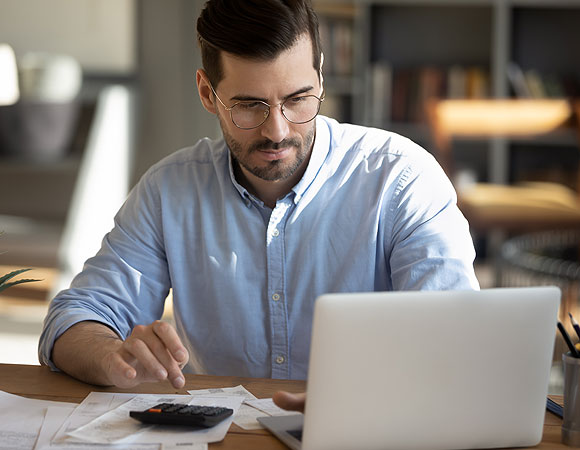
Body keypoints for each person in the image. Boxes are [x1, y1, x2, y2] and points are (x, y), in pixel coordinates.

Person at [38, 0, 479, 411]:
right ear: (208, 94)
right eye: (249, 105)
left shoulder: (401, 179)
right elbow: (73, 318)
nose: (277, 130)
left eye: (297, 99)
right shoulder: (168, 190)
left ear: (320, 78)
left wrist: (362, 399)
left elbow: (454, 338)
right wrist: (112, 355)